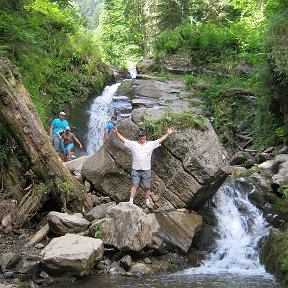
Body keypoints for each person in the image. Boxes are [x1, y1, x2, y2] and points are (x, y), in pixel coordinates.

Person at [112, 126, 175, 208]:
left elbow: (160, 140)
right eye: (140, 136)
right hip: (136, 169)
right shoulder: (133, 144)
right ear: (138, 137)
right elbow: (123, 139)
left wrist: (168, 133)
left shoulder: (151, 144)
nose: (141, 137)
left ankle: (147, 202)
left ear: (145, 137)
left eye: (142, 136)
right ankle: (130, 202)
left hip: (146, 169)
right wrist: (116, 133)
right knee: (134, 184)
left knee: (147, 186)